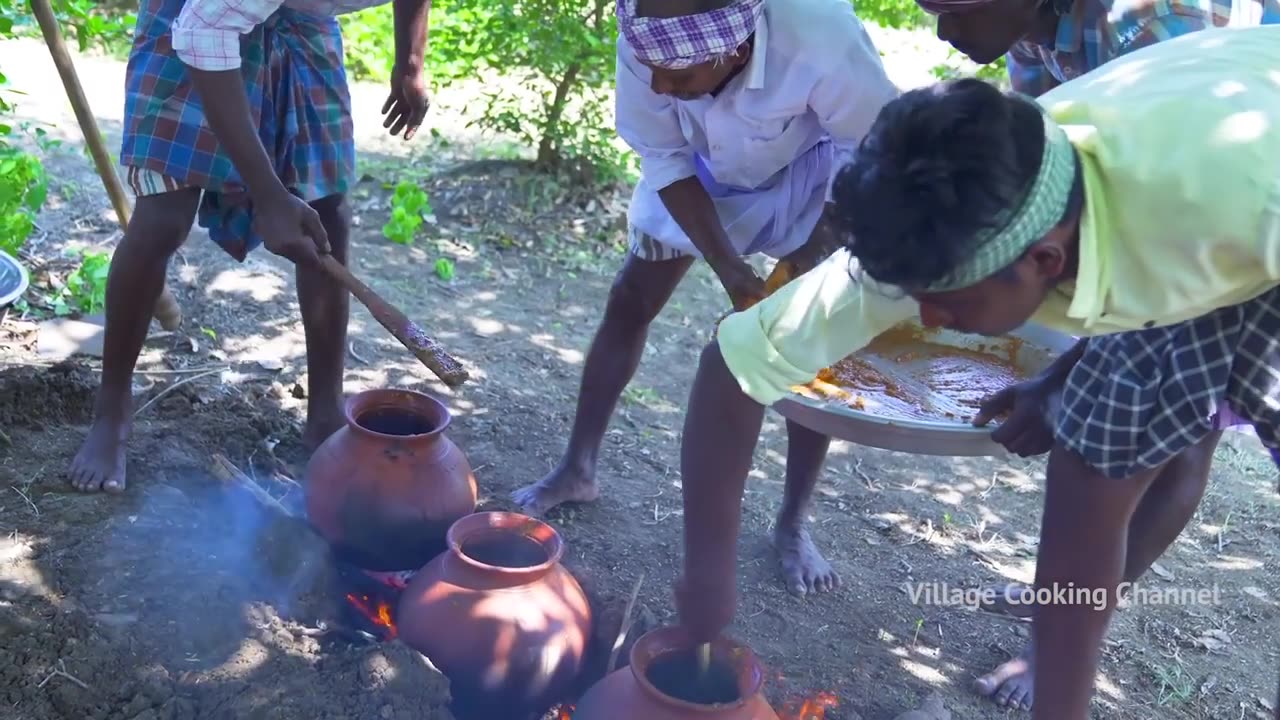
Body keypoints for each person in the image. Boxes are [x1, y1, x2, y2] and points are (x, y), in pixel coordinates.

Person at [674, 24, 1280, 720]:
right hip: (1184, 181)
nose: (925, 319)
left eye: (948, 306)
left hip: (1255, 185)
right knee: (1092, 465)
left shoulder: (1241, 210)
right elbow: (731, 363)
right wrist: (709, 571)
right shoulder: (955, 220)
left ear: (1045, 265)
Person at [914, 0, 1280, 708]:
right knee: (1112, 442)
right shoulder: (1033, 48)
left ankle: (1070, 631)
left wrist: (1065, 379)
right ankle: (1067, 625)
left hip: (1230, 226)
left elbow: (1151, 229)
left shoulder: (1145, 23)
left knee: (1176, 443)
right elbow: (1059, 217)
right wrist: (1059, 374)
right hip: (1172, 236)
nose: (943, 33)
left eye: (953, 9)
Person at [510, 0, 899, 596]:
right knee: (629, 299)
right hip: (697, 176)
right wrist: (729, 267)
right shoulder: (649, 36)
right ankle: (576, 469)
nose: (660, 85)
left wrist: (809, 257)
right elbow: (664, 156)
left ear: (735, 50)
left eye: (680, 78)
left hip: (816, 181)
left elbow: (870, 146)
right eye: (652, 71)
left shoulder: (818, 31)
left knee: (810, 342)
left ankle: (793, 524)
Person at [67, 0, 432, 493]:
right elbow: (202, 32)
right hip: (192, 20)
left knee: (328, 213)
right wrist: (269, 195)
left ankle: (325, 415)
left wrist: (410, 60)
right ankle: (111, 414)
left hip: (301, 24)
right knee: (164, 218)